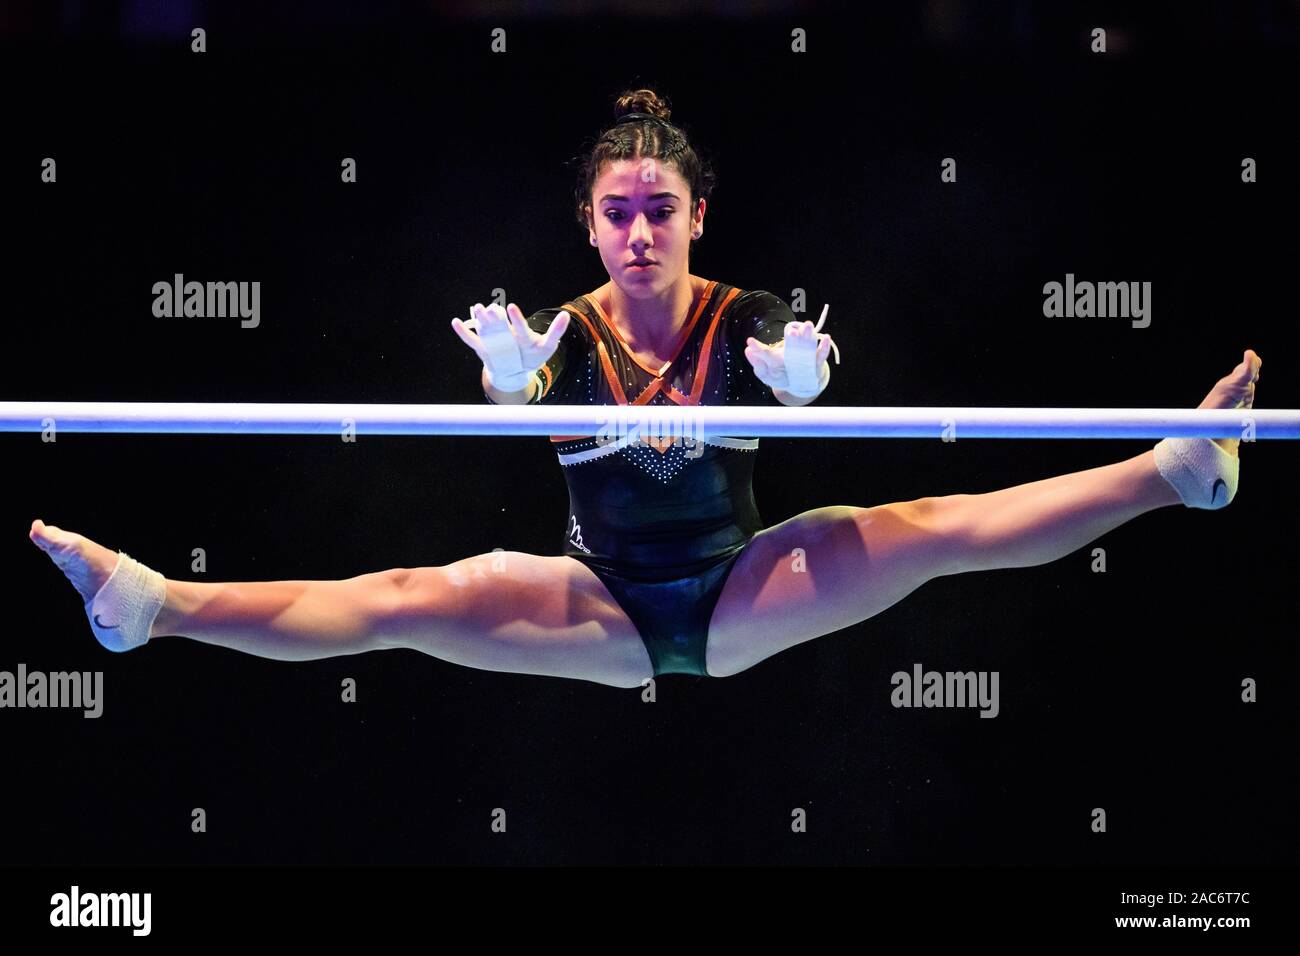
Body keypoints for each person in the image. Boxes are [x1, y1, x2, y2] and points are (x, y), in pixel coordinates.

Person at [30, 88, 1262, 688]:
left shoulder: (742, 311)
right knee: (402, 593)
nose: (636, 233)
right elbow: (526, 388)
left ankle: (1172, 470)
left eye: (657, 211)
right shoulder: (560, 331)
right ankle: (152, 603)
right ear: (587, 225)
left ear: (696, 216)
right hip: (599, 605)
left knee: (931, 530)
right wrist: (510, 385)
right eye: (614, 213)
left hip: (742, 584)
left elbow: (801, 363)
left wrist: (799, 376)